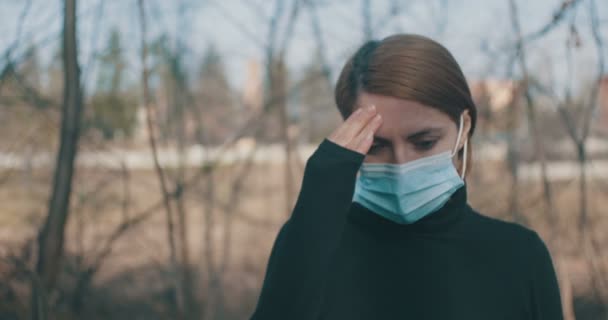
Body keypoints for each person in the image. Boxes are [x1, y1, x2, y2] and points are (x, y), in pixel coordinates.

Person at [250, 34, 563, 320]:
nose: (402, 164)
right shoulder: (314, 245)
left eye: (424, 142)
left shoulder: (519, 256)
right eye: (377, 145)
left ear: (464, 128)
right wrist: (315, 212)